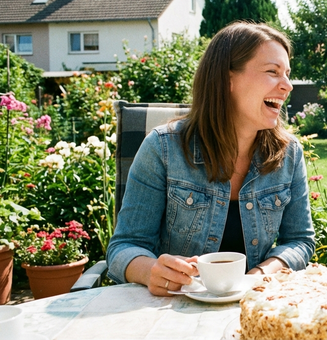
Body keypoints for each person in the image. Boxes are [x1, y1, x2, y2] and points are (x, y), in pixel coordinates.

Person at [107, 22, 315, 296]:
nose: (287, 86)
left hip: (256, 305)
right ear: (227, 79)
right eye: (272, 72)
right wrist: (150, 271)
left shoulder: (288, 153)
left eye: (287, 74)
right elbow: (124, 247)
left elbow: (300, 241)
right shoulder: (162, 148)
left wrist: (258, 276)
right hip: (176, 310)